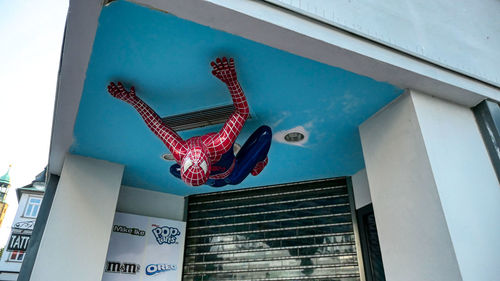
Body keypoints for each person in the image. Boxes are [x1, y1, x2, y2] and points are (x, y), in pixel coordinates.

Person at [107, 57, 271, 187]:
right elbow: (241, 111)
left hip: (212, 179)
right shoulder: (220, 143)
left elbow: (157, 126)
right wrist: (232, 82)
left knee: (173, 169)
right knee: (260, 140)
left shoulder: (180, 151)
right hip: (230, 174)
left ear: (185, 160)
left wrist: (133, 101)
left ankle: (205, 180)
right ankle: (258, 163)